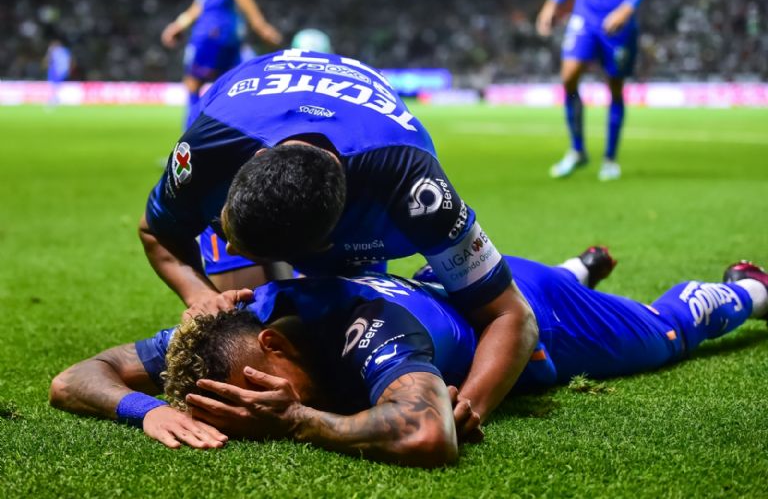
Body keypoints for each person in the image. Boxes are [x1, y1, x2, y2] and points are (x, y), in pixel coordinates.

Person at [50, 250, 768, 467]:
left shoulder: (369, 331)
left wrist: (297, 418)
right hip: (445, 299)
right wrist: (144, 409)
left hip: (537, 319)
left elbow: (429, 435)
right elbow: (73, 378)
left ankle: (745, 288)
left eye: (250, 389)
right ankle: (576, 267)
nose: (251, 404)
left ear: (274, 346)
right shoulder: (234, 322)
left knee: (665, 333)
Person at [139, 49, 538, 423]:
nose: (228, 246)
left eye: (244, 245)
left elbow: (510, 313)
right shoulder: (210, 147)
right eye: (226, 226)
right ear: (257, 160)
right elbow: (154, 233)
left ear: (326, 247)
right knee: (244, 331)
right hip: (248, 114)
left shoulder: (416, 189)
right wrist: (201, 296)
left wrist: (467, 408)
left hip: (367, 166)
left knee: (349, 332)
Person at [536, 0, 648, 181]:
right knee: (569, 78)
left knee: (615, 87)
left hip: (617, 16)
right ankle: (577, 150)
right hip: (585, 15)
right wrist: (553, 1)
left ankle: (610, 159)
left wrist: (627, 8)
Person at [161, 0, 282, 129]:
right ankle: (248, 128)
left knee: (193, 84)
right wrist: (179, 24)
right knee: (235, 82)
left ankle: (191, 134)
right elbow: (201, 2)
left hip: (209, 32)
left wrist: (260, 26)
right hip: (230, 33)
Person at [44, 39, 72, 106]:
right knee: (55, 85)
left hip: (57, 70)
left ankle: (55, 98)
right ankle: (55, 98)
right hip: (60, 70)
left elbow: (48, 60)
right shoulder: (64, 51)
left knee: (55, 85)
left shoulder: (55, 51)